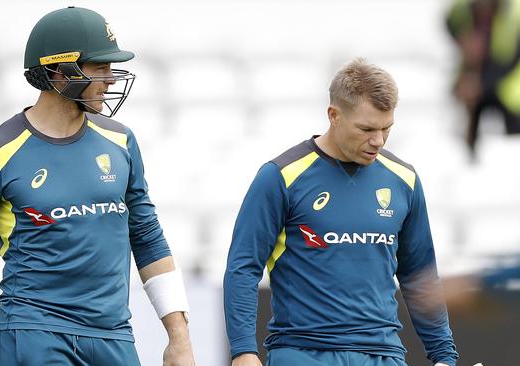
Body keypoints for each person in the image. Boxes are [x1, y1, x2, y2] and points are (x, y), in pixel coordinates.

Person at [0, 7, 195, 366]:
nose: (110, 79)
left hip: (114, 335)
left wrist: (179, 337)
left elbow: (148, 238)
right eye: (100, 67)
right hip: (34, 333)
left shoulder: (121, 141)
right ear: (60, 72)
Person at [223, 59, 458, 366]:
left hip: (384, 355)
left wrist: (444, 356)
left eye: (387, 128)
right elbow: (243, 267)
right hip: (302, 353)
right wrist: (243, 350)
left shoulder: (405, 180)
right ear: (333, 115)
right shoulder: (280, 176)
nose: (378, 140)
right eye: (366, 129)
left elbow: (420, 276)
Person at [445, 0, 520, 156]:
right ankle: (470, 157)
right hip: (473, 82)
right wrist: (462, 39)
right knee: (469, 136)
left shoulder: (515, 15)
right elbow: (449, 21)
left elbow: (512, 61)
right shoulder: (463, 8)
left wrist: (480, 84)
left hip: (510, 90)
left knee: (513, 144)